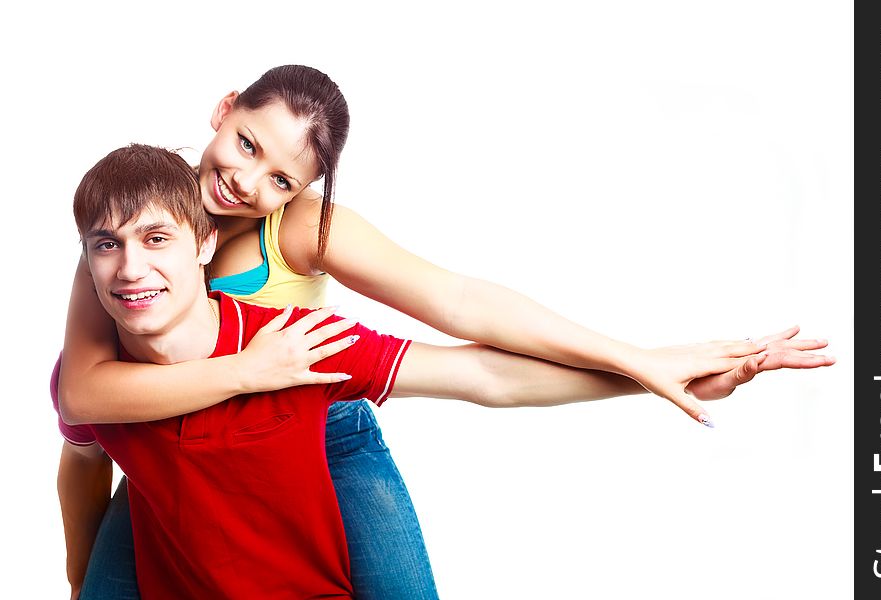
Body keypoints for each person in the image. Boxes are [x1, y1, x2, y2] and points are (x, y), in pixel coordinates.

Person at [56, 67, 834, 598]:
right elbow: (85, 395)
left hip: (314, 431)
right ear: (223, 111)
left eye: (282, 179)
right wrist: (246, 374)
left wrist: (643, 363)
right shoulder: (131, 227)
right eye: (247, 145)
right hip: (170, 439)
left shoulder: (297, 232)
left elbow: (461, 313)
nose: (246, 184)